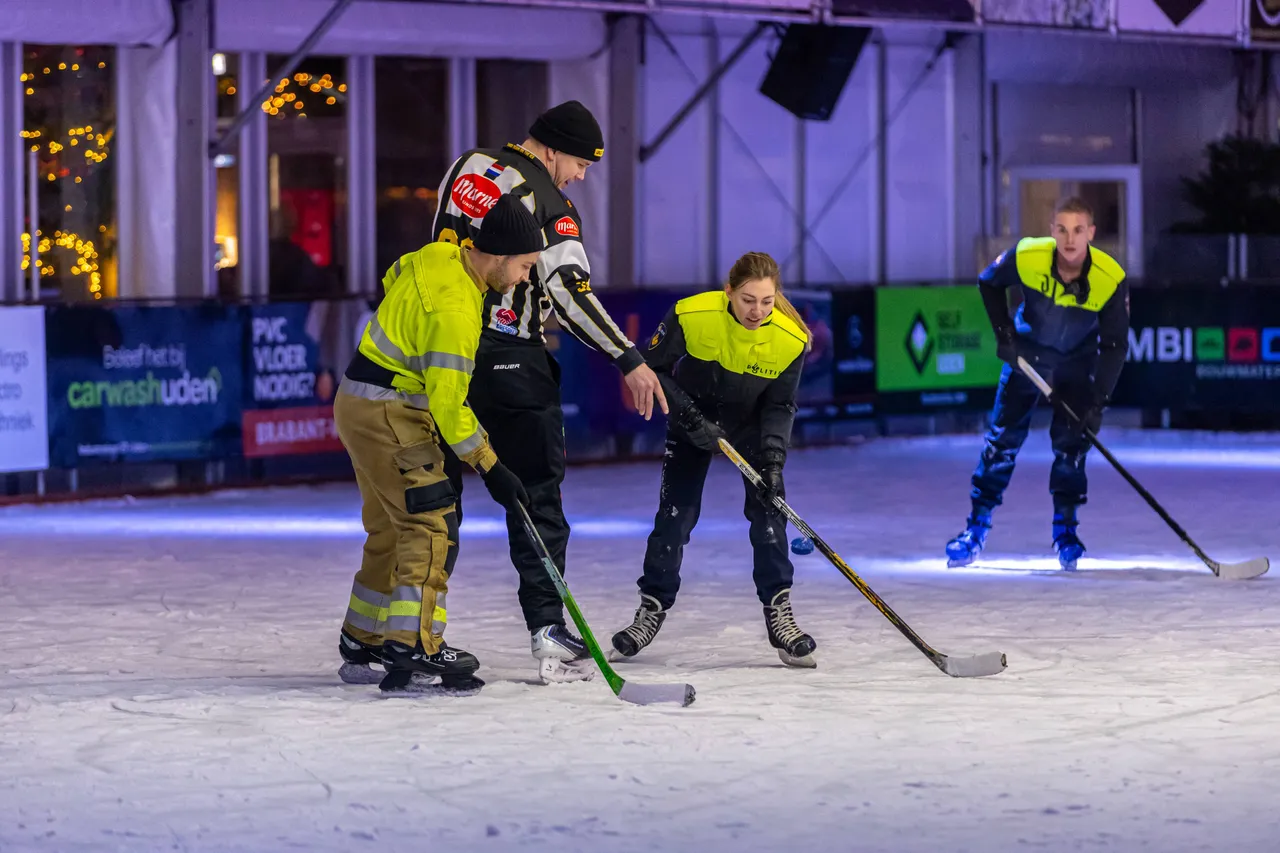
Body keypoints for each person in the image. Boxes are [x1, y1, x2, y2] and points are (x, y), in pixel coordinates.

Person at [430, 100, 668, 684]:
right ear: (553, 148)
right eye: (581, 162)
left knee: (434, 504)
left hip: (444, 352)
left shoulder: (466, 167)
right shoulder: (549, 202)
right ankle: (546, 629)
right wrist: (628, 358)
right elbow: (568, 292)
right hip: (514, 362)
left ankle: (416, 633)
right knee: (536, 498)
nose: (581, 176)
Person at [333, 195, 544, 693]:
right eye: (525, 266)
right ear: (498, 256)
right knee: (430, 522)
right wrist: (493, 468)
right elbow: (450, 409)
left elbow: (393, 276)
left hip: (356, 400)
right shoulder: (457, 312)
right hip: (390, 409)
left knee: (390, 526)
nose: (525, 278)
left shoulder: (441, 254)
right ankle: (416, 642)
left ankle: (363, 636)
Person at [610, 251, 819, 668]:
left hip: (752, 428)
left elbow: (780, 406)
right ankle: (650, 609)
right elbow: (653, 370)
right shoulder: (692, 314)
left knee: (768, 518)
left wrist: (774, 461)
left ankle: (779, 613)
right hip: (692, 419)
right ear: (729, 291)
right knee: (675, 516)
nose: (757, 311)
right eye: (747, 300)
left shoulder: (791, 339)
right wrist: (689, 416)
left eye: (766, 301)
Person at [945, 196, 1129, 571]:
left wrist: (1097, 404)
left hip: (1076, 364)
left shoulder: (1109, 279)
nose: (1070, 238)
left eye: (1078, 230)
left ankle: (1066, 533)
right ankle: (975, 529)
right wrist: (1005, 335)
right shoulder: (1028, 255)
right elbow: (988, 282)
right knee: (1001, 443)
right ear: (1052, 231)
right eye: (1062, 229)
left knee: (1071, 448)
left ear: (1091, 234)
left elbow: (1115, 345)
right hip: (1027, 359)